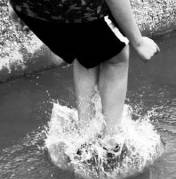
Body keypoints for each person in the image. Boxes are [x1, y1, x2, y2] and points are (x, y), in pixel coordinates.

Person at [8, 0, 160, 155]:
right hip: (75, 12)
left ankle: (85, 137)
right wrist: (139, 42)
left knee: (85, 53)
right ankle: (111, 143)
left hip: (30, 11)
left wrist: (14, 6)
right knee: (117, 57)